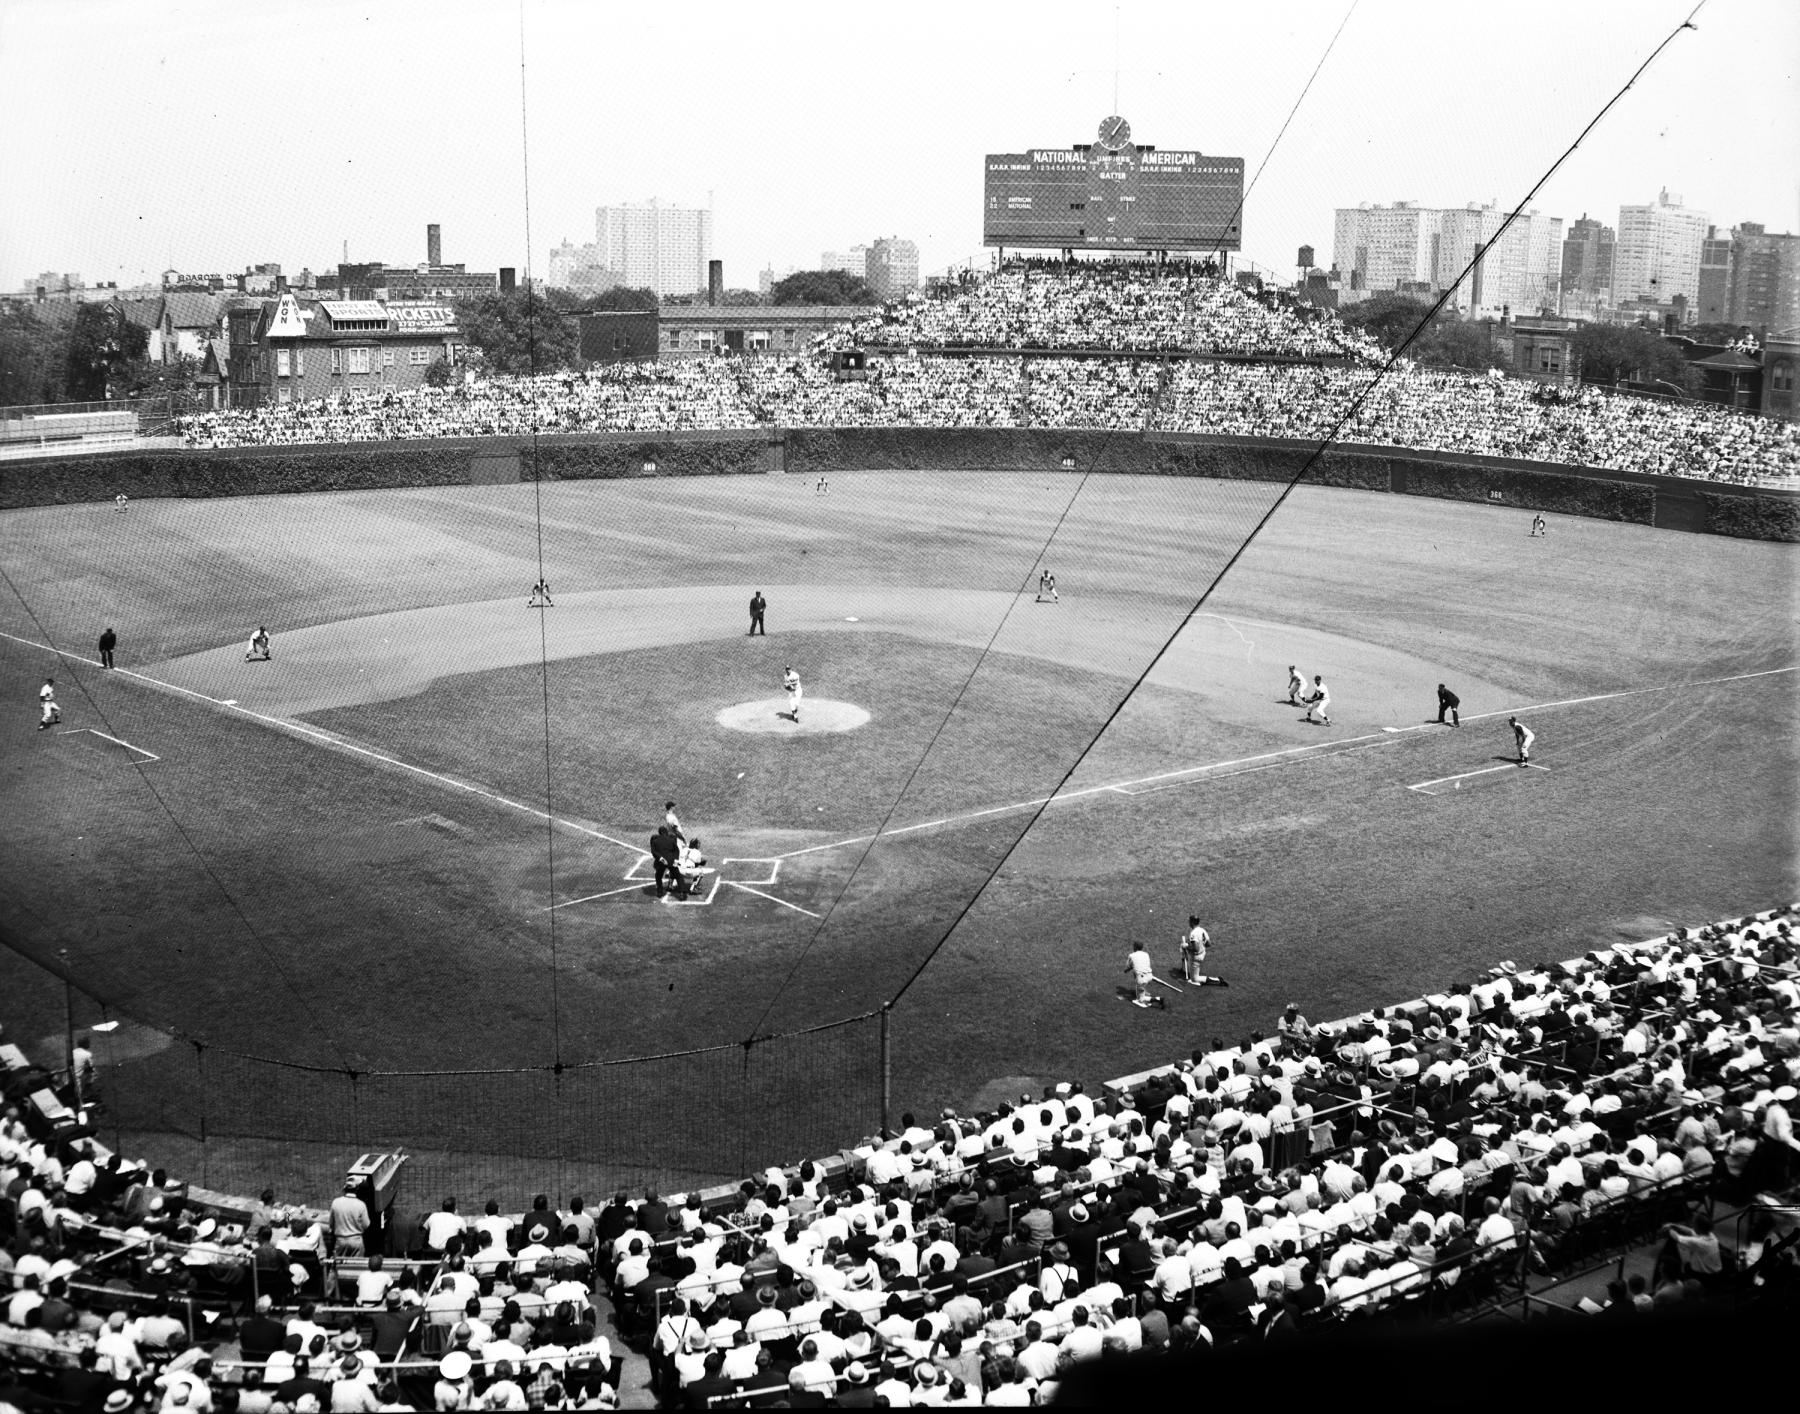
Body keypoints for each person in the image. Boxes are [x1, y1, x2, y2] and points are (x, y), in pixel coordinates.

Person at [1180, 916, 1229, 988]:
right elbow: (1208, 944)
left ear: (1193, 922)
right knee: (1183, 948)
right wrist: (1200, 945)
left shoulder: (1193, 934)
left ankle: (1218, 980)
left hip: (1196, 958)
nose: (1189, 922)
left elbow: (1195, 948)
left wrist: (1186, 947)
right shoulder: (1202, 930)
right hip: (1202, 954)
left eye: (1190, 921)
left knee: (1194, 979)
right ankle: (1183, 969)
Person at [649, 826, 679, 900]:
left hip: (661, 861)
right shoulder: (672, 837)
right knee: (675, 872)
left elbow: (654, 851)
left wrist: (660, 858)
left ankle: (660, 890)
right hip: (671, 859)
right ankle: (674, 887)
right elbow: (675, 849)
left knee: (658, 875)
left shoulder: (655, 838)